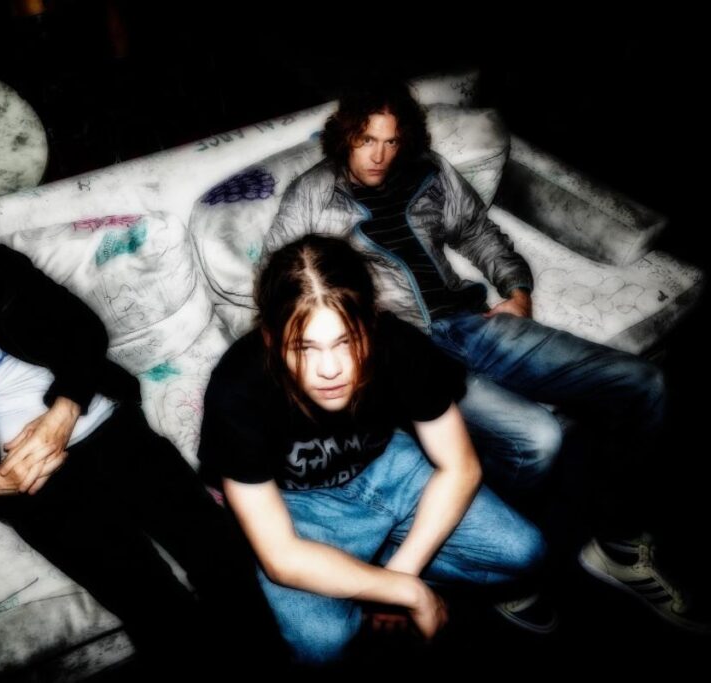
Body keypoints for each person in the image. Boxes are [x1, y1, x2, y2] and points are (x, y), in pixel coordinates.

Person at [265, 74, 703, 633]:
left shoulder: (428, 171)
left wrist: (516, 288)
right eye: (366, 140)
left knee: (643, 382)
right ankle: (497, 565)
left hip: (472, 322)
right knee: (538, 438)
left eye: (391, 141)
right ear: (344, 136)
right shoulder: (312, 193)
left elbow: (475, 230)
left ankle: (617, 541)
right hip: (409, 347)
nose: (379, 156)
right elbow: (284, 283)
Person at [0, 173, 286, 673]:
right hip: (33, 483)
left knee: (220, 554)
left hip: (103, 425)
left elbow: (83, 331)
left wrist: (63, 412)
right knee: (151, 603)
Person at [198, 234, 545, 665]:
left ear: (371, 323)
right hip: (300, 505)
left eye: (346, 341)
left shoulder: (397, 343)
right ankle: (365, 571)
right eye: (304, 347)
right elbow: (281, 557)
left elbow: (461, 466)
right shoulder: (236, 388)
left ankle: (369, 566)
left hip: (387, 466)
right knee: (322, 644)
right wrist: (411, 593)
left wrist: (398, 576)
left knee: (526, 552)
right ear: (270, 338)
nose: (329, 369)